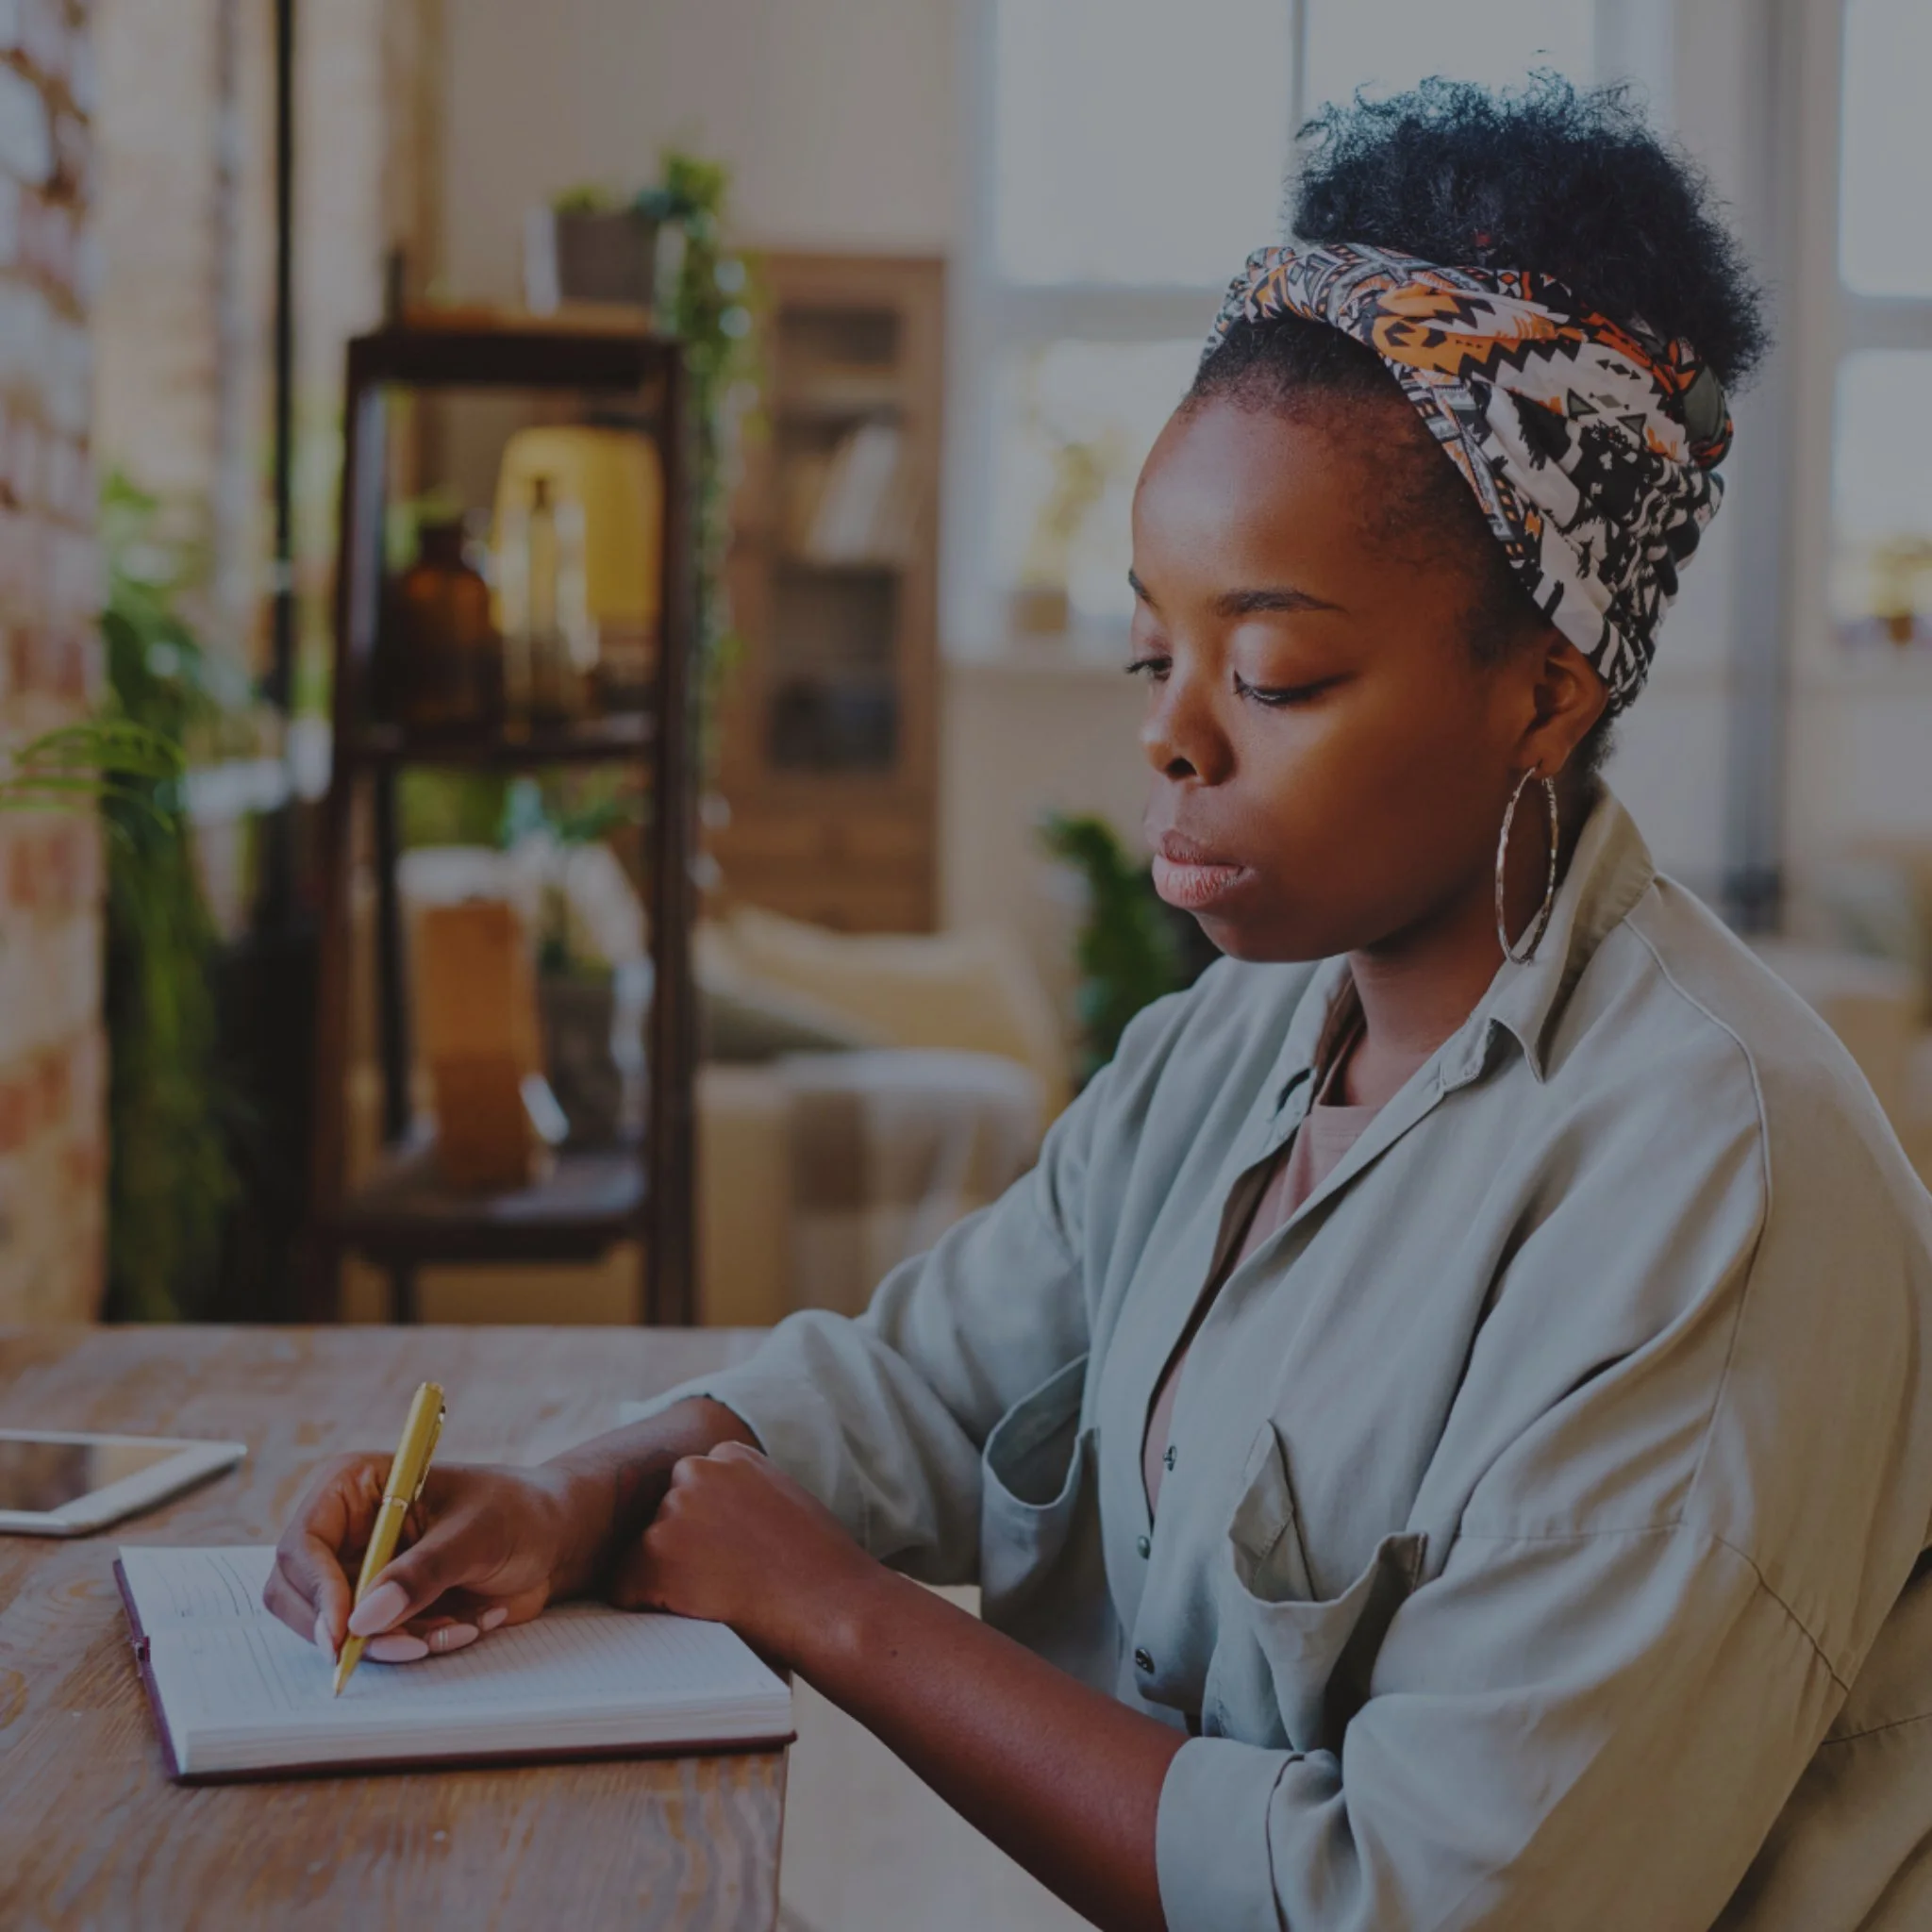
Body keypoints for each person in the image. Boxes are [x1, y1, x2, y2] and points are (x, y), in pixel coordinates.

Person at [270, 79, 1932, 1930]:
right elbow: (928, 1379)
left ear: (1544, 691)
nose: (1167, 729)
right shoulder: (1235, 1043)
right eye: (1155, 644)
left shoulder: (1711, 1197)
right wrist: (563, 1493)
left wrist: (837, 1607)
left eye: (1276, 672)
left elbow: (1413, 1903)